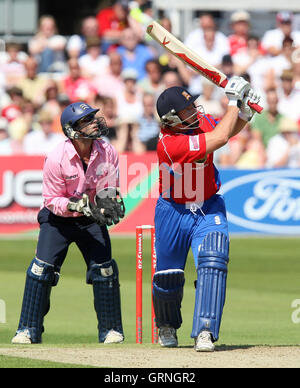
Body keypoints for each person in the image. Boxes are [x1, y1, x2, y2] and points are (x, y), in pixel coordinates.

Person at [152, 79, 261, 352]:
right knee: (168, 277)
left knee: (213, 259)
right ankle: (166, 325)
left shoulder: (197, 123)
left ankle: (205, 330)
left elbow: (227, 128)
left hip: (207, 206)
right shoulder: (169, 143)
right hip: (172, 211)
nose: (195, 111)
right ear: (172, 119)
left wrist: (245, 111)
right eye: (188, 110)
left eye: (193, 105)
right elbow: (220, 138)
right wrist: (235, 103)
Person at [12, 101, 125, 344]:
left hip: (91, 218)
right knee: (41, 270)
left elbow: (108, 188)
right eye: (88, 120)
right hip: (58, 220)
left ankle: (111, 330)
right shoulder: (56, 157)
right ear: (72, 130)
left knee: (104, 270)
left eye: (94, 117)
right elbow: (51, 200)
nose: (96, 122)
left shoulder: (108, 151)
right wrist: (75, 205)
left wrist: (106, 204)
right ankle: (28, 329)